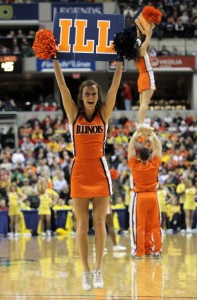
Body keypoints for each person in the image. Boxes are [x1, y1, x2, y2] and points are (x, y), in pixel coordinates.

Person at [53, 59, 123, 290]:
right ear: (81, 96)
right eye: (87, 93)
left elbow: (114, 87)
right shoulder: (73, 113)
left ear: (97, 96)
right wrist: (54, 59)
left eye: (94, 93)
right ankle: (85, 271)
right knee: (82, 224)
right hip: (80, 170)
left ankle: (98, 269)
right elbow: (63, 86)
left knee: (101, 221)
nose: (91, 96)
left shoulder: (104, 112)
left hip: (100, 170)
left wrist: (120, 61)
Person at [128, 128, 162, 259]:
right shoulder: (154, 164)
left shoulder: (134, 165)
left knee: (139, 225)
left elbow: (130, 148)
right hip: (153, 196)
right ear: (150, 156)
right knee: (155, 225)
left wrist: (136, 134)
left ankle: (140, 252)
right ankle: (156, 250)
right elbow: (158, 147)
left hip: (140, 197)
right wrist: (152, 134)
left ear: (138, 156)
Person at [135, 22, 156, 128]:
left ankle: (140, 123)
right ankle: (141, 123)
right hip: (147, 76)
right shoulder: (143, 50)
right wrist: (149, 25)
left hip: (141, 76)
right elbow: (148, 36)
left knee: (142, 103)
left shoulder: (137, 51)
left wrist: (138, 31)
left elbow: (140, 38)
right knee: (145, 103)